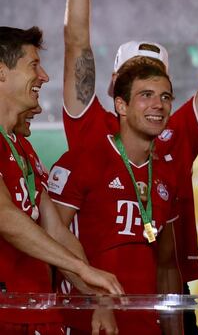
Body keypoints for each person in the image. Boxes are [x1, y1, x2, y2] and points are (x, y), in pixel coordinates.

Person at [63, 0, 198, 323]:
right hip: (91, 312)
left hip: (159, 309)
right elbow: (76, 45)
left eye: (160, 86)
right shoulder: (90, 125)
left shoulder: (176, 132)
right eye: (139, 83)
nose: (154, 101)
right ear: (117, 92)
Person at [0, 26, 123, 334]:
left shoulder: (23, 147)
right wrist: (81, 269)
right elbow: (4, 216)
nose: (44, 76)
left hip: (36, 312)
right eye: (33, 65)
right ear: (1, 72)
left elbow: (55, 229)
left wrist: (95, 295)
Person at [49, 60, 182, 335]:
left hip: (144, 327)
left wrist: (174, 330)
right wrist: (98, 298)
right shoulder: (83, 160)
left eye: (165, 97)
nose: (158, 104)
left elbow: (167, 265)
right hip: (88, 323)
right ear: (121, 106)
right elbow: (50, 241)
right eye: (146, 95)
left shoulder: (167, 174)